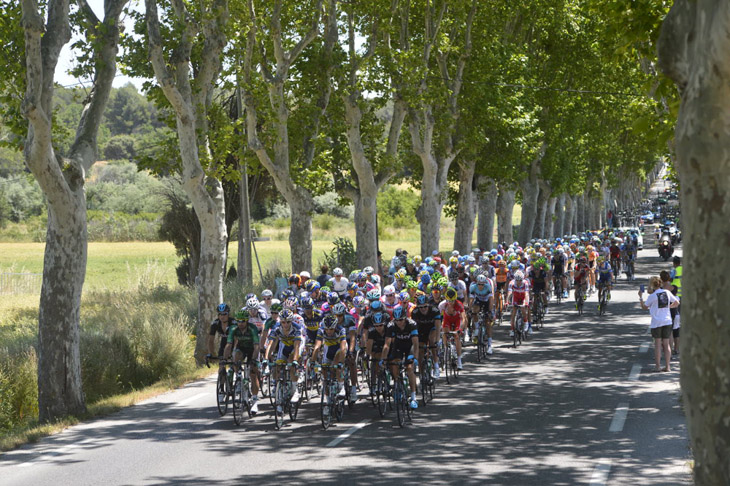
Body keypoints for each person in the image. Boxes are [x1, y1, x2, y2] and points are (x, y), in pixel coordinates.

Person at [380, 305, 420, 409]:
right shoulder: (391, 325)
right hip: (397, 347)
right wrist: (383, 359)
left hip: (409, 346)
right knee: (394, 365)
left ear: (405, 317)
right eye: (397, 320)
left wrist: (415, 357)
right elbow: (387, 344)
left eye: (401, 320)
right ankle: (398, 386)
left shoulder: (412, 324)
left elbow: (415, 343)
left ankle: (413, 397)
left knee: (410, 368)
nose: (399, 322)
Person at [224, 309, 261, 414]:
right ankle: (239, 378)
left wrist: (253, 360)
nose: (240, 323)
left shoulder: (252, 328)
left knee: (253, 374)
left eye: (242, 321)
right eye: (238, 321)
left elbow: (257, 347)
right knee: (236, 357)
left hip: (252, 350)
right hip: (242, 349)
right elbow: (229, 345)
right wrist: (224, 358)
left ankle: (254, 401)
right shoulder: (233, 328)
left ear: (247, 321)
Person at [639, 276, 680, 372]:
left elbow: (645, 307)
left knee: (657, 344)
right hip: (667, 321)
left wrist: (640, 297)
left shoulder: (652, 296)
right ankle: (668, 366)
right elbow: (677, 302)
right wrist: (669, 307)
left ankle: (657, 366)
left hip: (656, 322)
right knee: (666, 344)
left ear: (652, 285)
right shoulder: (667, 292)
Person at [439, 287, 466, 370]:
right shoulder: (442, 305)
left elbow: (463, 318)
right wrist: (439, 327)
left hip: (457, 320)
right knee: (444, 332)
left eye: (452, 301)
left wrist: (460, 329)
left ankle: (459, 360)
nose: (450, 303)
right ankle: (446, 347)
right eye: (449, 301)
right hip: (447, 320)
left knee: (456, 337)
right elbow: (439, 318)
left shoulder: (459, 305)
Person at [660, 270, 681, 355]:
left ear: (661, 278)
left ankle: (667, 350)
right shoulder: (674, 287)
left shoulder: (661, 289)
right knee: (675, 331)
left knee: (667, 332)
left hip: (665, 312)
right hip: (675, 311)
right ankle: (675, 349)